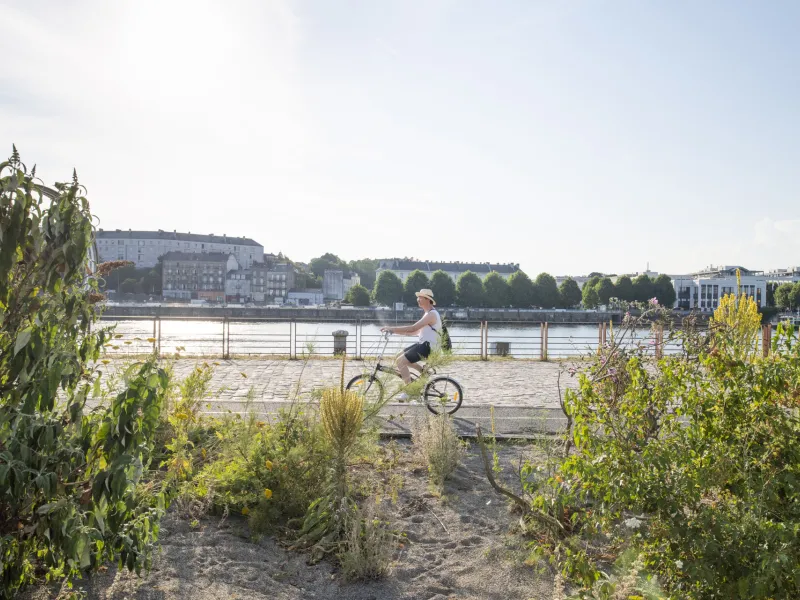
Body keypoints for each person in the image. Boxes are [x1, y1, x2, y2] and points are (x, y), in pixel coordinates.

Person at [381, 289, 442, 399]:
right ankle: (423, 371)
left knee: (401, 362)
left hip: (429, 347)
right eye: (418, 297)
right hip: (424, 344)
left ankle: (409, 392)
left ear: (428, 300)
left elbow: (413, 328)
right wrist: (395, 333)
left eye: (420, 297)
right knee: (397, 358)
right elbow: (415, 332)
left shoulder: (431, 314)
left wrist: (392, 329)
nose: (418, 299)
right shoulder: (427, 313)